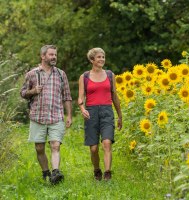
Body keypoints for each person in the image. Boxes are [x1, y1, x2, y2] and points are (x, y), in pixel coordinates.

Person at [20, 45, 72, 184]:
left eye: (55, 54)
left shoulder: (61, 74)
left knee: (55, 145)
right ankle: (46, 172)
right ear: (43, 56)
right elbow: (23, 93)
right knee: (39, 148)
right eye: (51, 54)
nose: (54, 57)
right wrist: (33, 91)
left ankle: (56, 173)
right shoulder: (32, 74)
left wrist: (69, 116)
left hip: (56, 116)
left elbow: (67, 96)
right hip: (37, 116)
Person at [77, 47, 122, 181]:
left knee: (107, 143)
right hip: (91, 113)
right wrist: (82, 108)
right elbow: (80, 97)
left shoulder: (110, 75)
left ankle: (108, 173)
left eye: (103, 57)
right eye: (99, 57)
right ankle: (97, 169)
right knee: (94, 149)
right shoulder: (84, 77)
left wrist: (120, 115)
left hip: (107, 111)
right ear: (92, 60)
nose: (102, 59)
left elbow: (115, 96)